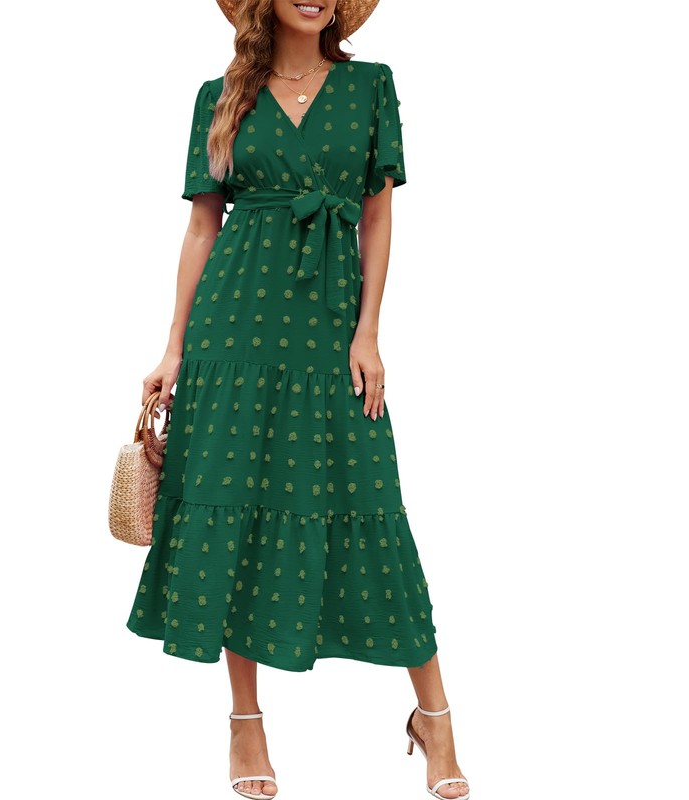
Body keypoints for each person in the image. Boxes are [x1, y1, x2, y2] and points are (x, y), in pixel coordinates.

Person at [125, 1, 470, 798]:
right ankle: (246, 725)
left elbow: (378, 215)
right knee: (236, 502)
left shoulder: (372, 86)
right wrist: (174, 347)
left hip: (330, 328)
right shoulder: (221, 96)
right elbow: (203, 228)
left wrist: (368, 332)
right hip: (233, 329)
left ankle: (436, 718)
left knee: (373, 503)